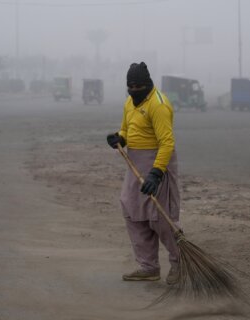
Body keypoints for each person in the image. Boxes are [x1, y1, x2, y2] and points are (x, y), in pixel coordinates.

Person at [106, 62, 180, 285]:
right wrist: (119, 139)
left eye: (139, 87)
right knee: (132, 210)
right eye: (131, 87)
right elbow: (126, 130)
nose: (134, 90)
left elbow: (167, 143)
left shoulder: (158, 104)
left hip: (158, 162)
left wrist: (156, 173)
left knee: (160, 217)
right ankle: (148, 267)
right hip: (135, 163)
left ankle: (179, 262)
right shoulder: (129, 102)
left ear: (148, 85)